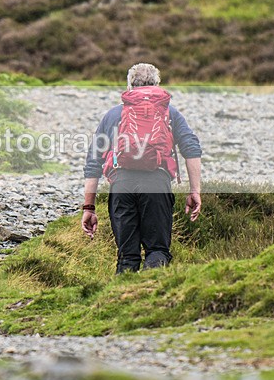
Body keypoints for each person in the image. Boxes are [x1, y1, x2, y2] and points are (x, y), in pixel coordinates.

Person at [81, 63, 202, 273]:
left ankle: (120, 300)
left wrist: (89, 208)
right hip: (156, 184)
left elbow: (94, 162)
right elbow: (191, 148)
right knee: (157, 251)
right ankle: (151, 298)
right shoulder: (169, 113)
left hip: (122, 185)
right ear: (157, 85)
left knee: (127, 257)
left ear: (129, 87)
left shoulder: (113, 115)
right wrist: (195, 191)